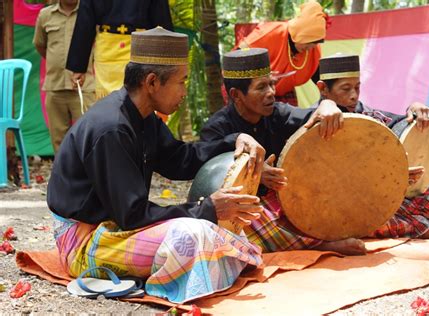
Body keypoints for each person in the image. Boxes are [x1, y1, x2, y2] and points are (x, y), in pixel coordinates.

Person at [47, 27, 267, 304]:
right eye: (181, 82)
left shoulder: (142, 117)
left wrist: (234, 139)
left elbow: (181, 161)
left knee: (212, 231)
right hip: (84, 241)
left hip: (116, 228)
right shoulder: (112, 129)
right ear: (152, 82)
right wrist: (208, 208)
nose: (184, 91)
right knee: (195, 234)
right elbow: (133, 214)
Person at [200, 48, 429, 256]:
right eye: (262, 87)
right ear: (236, 96)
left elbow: (312, 116)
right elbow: (211, 176)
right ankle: (323, 243)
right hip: (263, 207)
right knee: (252, 225)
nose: (272, 92)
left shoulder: (279, 114)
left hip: (319, 197)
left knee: (391, 205)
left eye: (271, 84)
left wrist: (328, 106)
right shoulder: (216, 129)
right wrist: (255, 175)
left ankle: (322, 237)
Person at [314, 53, 429, 240]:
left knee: (416, 198)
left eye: (357, 87)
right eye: (345, 89)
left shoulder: (369, 114)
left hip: (373, 194)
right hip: (336, 198)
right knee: (344, 217)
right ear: (323, 88)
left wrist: (415, 109)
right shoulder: (311, 120)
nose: (354, 95)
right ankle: (424, 230)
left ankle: (417, 227)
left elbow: (399, 123)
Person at [66, 0, 173, 99]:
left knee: (139, 96)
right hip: (111, 48)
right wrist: (78, 66)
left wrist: (78, 67)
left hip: (138, 46)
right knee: (113, 101)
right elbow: (85, 20)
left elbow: (161, 16)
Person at [235, 0, 327, 106]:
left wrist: (328, 97)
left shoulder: (313, 49)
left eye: (315, 44)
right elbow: (238, 57)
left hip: (284, 92)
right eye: (308, 43)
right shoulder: (271, 33)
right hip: (250, 90)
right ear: (298, 34)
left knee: (291, 119)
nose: (309, 49)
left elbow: (319, 77)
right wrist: (261, 76)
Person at [33, 0, 95, 153]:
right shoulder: (45, 15)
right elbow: (40, 45)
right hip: (55, 86)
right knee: (59, 140)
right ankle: (63, 175)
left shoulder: (90, 13)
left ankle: (88, 176)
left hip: (83, 88)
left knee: (88, 136)